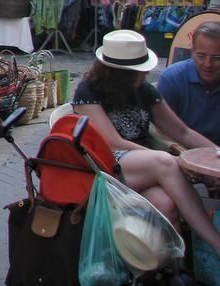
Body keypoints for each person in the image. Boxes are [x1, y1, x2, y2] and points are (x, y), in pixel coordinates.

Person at [72, 30, 220, 258]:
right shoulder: (87, 92)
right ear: (120, 73)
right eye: (140, 70)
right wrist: (177, 161)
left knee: (167, 205)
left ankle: (170, 270)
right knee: (165, 162)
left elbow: (182, 132)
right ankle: (216, 243)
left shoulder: (143, 90)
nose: (147, 72)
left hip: (143, 168)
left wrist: (214, 157)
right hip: (105, 167)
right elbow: (113, 142)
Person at [157, 21, 220, 145]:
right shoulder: (172, 79)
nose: (208, 64)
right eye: (201, 56)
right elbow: (163, 132)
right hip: (182, 153)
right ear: (192, 51)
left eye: (217, 58)